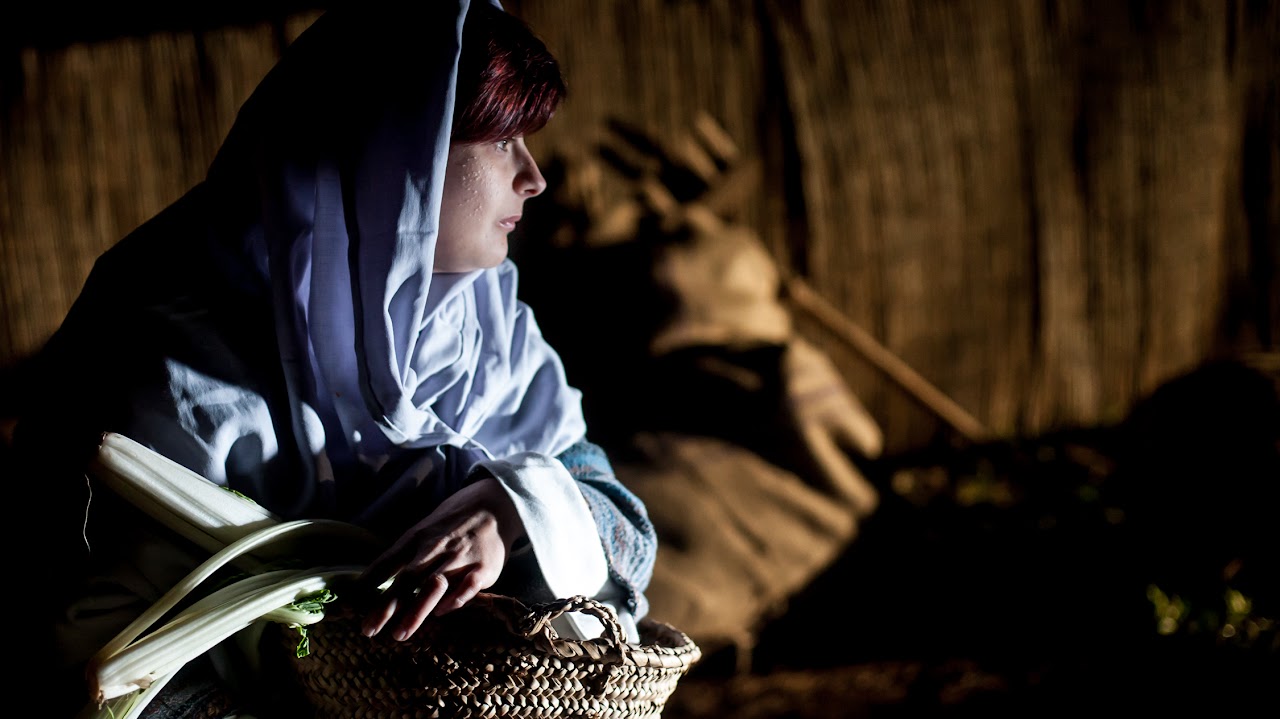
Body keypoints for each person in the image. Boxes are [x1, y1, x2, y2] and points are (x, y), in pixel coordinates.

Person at [15, 2, 656, 717]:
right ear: (392, 148)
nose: (534, 177)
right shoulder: (167, 350)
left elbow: (626, 533)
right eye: (502, 138)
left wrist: (509, 505)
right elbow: (90, 633)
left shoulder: (489, 329)